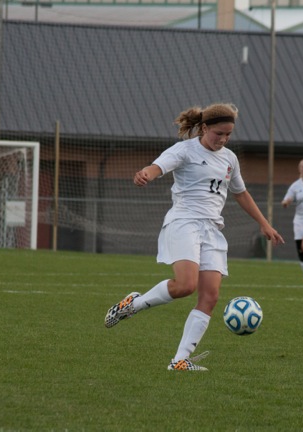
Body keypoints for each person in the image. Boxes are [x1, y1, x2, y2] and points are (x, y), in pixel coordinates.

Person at [104, 103, 284, 371]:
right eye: (218, 134)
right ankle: (133, 304)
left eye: (228, 135)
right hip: (184, 222)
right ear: (204, 128)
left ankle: (179, 361)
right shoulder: (185, 150)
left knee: (210, 296)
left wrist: (264, 224)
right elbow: (158, 166)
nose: (223, 139)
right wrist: (146, 174)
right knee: (186, 285)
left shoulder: (229, 159)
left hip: (213, 230)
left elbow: (240, 193)